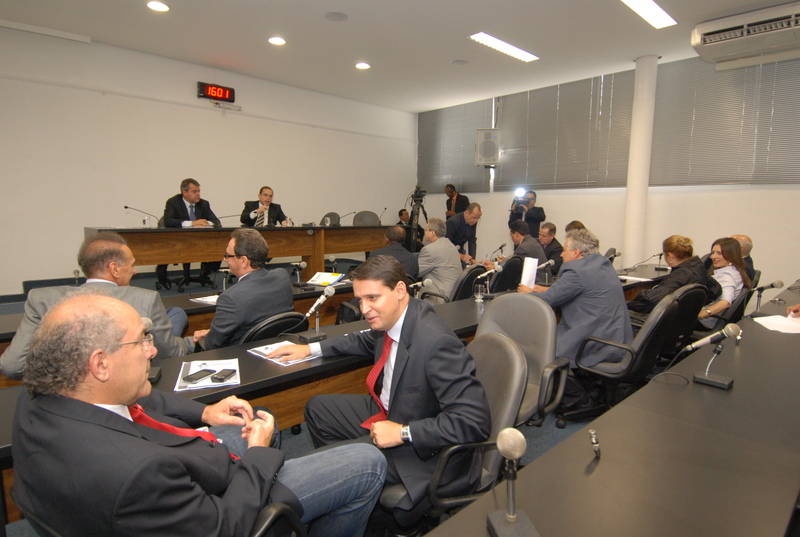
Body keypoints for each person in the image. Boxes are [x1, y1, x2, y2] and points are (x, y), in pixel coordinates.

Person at [12, 293, 386, 537]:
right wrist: (256, 456)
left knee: (253, 419)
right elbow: (226, 526)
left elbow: (145, 403)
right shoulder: (137, 474)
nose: (152, 351)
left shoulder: (41, 398)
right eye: (142, 340)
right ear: (100, 364)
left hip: (168, 486)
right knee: (367, 463)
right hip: (219, 506)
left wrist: (207, 411)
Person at [266, 256, 491, 526]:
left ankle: (355, 487)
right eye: (360, 300)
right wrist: (310, 349)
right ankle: (355, 493)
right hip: (392, 409)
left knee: (338, 466)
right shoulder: (395, 317)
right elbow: (362, 340)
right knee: (318, 409)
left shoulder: (436, 342)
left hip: (422, 448)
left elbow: (474, 422)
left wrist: (403, 432)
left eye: (372, 298)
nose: (364, 309)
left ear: (399, 290)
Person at [0, 232, 191, 380]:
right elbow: (169, 354)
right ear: (115, 269)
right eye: (132, 265)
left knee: (175, 313)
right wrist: (190, 342)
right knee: (175, 317)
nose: (134, 271)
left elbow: (12, 366)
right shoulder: (145, 299)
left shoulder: (41, 300)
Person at [519, 228, 632, 369]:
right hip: (615, 338)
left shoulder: (575, 271)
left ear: (576, 253)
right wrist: (546, 289)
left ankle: (548, 381)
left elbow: (546, 301)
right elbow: (579, 288)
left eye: (564, 250)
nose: (561, 254)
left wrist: (527, 293)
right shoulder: (602, 263)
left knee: (534, 348)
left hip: (593, 342)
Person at [192, 229, 293, 350]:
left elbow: (212, 344)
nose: (224, 259)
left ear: (244, 261)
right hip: (275, 346)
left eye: (228, 255)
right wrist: (212, 332)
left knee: (188, 343)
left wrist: (210, 335)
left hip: (240, 354)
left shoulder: (231, 298)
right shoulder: (282, 276)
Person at [627, 235, 722, 314]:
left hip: (669, 323)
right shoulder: (697, 266)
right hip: (683, 321)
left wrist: (629, 303)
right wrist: (691, 307)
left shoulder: (681, 275)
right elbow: (716, 289)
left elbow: (651, 300)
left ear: (670, 256)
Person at [157, 178, 222, 285]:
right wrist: (192, 223)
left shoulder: (203, 204)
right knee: (163, 250)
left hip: (199, 241)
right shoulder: (173, 202)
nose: (198, 194)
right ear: (185, 192)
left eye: (198, 191)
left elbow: (216, 222)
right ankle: (162, 279)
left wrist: (206, 223)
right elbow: (168, 221)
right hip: (178, 241)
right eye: (194, 191)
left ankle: (204, 274)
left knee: (217, 247)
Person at [698, 237, 751, 328]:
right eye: (713, 252)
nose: (713, 257)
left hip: (704, 323)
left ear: (731, 255)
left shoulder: (727, 277)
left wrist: (702, 313)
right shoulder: (735, 270)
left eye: (719, 253)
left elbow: (725, 302)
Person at [417, 217, 462, 303]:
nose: (424, 232)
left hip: (439, 297)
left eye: (426, 230)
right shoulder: (452, 246)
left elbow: (416, 272)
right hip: (454, 295)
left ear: (432, 233)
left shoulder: (429, 250)